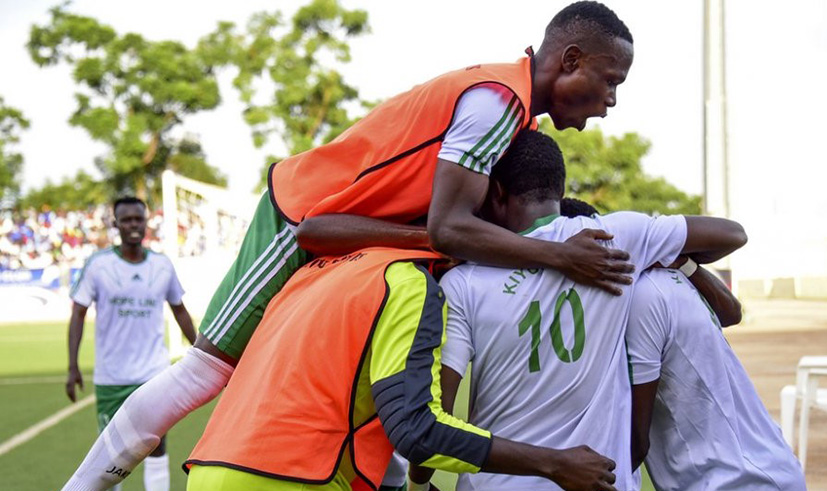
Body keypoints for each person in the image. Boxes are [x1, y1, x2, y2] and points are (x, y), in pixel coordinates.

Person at [62, 3, 637, 489]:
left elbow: (455, 231)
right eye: (609, 81)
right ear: (570, 61)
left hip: (359, 243)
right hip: (299, 214)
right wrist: (560, 255)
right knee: (206, 372)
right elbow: (447, 229)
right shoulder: (495, 102)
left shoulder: (517, 123)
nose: (611, 100)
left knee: (375, 391)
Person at [411, 130, 748, 490]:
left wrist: (420, 479)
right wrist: (668, 254)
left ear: (495, 191)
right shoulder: (615, 238)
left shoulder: (463, 281)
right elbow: (732, 234)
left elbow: (436, 419)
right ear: (560, 189)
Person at [183, 246, 618, 491]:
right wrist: (553, 463)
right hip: (290, 480)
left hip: (208, 471)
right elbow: (415, 430)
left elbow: (347, 408)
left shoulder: (314, 272)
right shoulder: (406, 280)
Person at [627, 263, 807, 489]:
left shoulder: (643, 296)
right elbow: (733, 312)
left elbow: (636, 443)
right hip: (765, 467)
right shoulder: (674, 276)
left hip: (735, 480)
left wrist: (568, 467)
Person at [65, 197, 197, 491]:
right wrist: (72, 365)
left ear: (146, 222)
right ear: (116, 224)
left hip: (153, 373)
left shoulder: (162, 265)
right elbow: (78, 313)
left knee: (157, 445)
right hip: (112, 377)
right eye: (126, 220)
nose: (133, 225)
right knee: (110, 458)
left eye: (138, 219)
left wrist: (203, 353)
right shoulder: (99, 265)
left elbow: (180, 311)